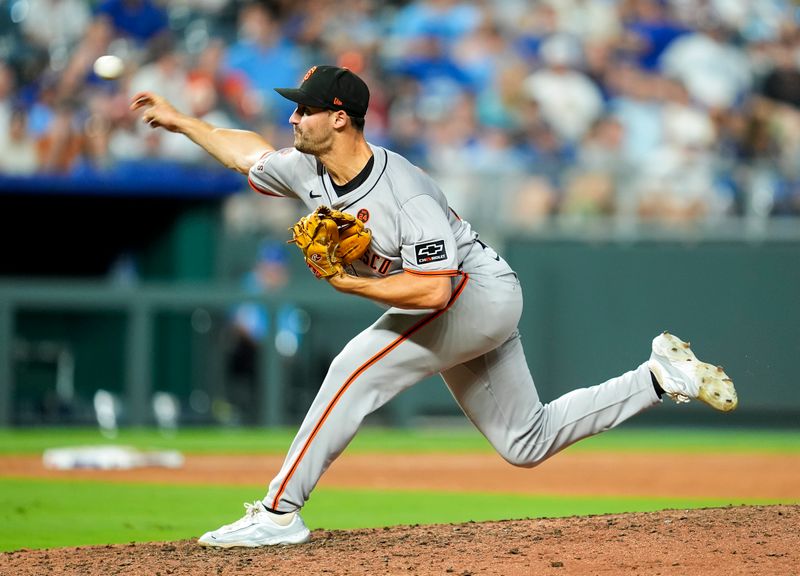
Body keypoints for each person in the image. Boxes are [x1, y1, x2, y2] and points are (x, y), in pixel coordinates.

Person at [130, 65, 738, 548]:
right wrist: (181, 120)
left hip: (476, 292)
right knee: (525, 440)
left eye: (304, 108)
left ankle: (278, 511)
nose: (293, 117)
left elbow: (434, 291)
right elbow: (245, 152)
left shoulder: (405, 191)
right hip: (466, 302)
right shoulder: (307, 167)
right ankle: (659, 377)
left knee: (352, 367)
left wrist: (352, 285)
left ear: (339, 119)